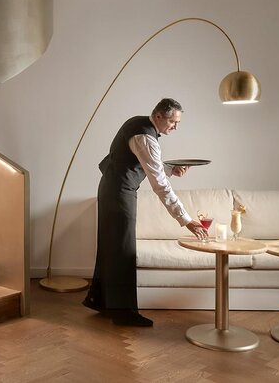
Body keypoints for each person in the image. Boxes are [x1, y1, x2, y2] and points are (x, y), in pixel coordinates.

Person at [82, 98, 207, 326]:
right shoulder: (146, 137)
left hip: (111, 188)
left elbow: (140, 160)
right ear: (158, 116)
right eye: (172, 122)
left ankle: (101, 302)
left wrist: (171, 169)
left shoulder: (137, 123)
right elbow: (160, 185)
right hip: (119, 192)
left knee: (112, 248)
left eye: (177, 123)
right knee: (123, 251)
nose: (175, 127)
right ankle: (124, 314)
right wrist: (186, 219)